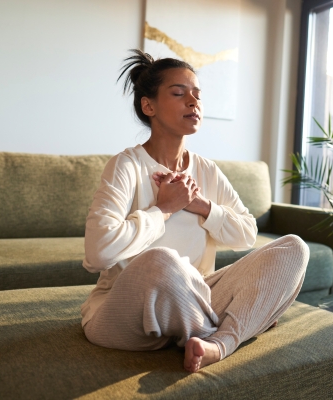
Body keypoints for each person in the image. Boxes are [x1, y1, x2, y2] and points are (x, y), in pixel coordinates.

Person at [80, 49, 309, 373]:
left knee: (293, 247)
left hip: (198, 296)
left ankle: (217, 344)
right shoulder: (126, 165)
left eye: (197, 95)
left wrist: (199, 204)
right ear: (149, 106)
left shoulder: (206, 170)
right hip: (123, 310)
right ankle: (236, 325)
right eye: (179, 93)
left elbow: (247, 233)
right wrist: (163, 209)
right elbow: (98, 252)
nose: (193, 101)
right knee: (162, 260)